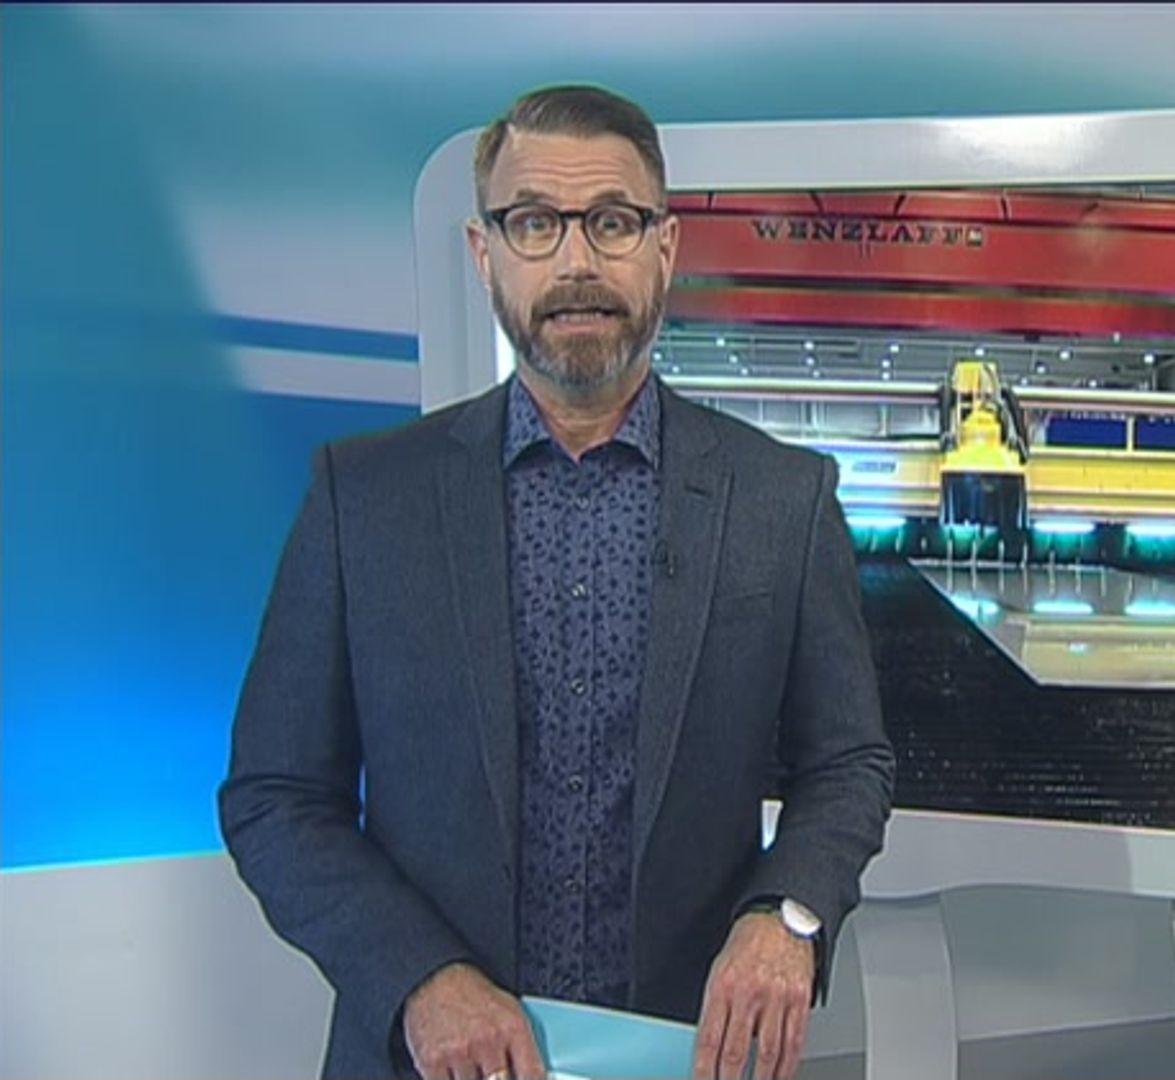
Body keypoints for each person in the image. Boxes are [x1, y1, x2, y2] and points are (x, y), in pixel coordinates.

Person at [219, 85, 895, 1080]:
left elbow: (847, 763)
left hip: (682, 1056)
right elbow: (275, 796)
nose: (577, 262)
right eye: (536, 222)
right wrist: (421, 979)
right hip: (428, 1062)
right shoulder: (362, 500)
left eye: (612, 221)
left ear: (665, 247)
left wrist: (787, 915)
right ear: (483, 251)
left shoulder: (780, 500)